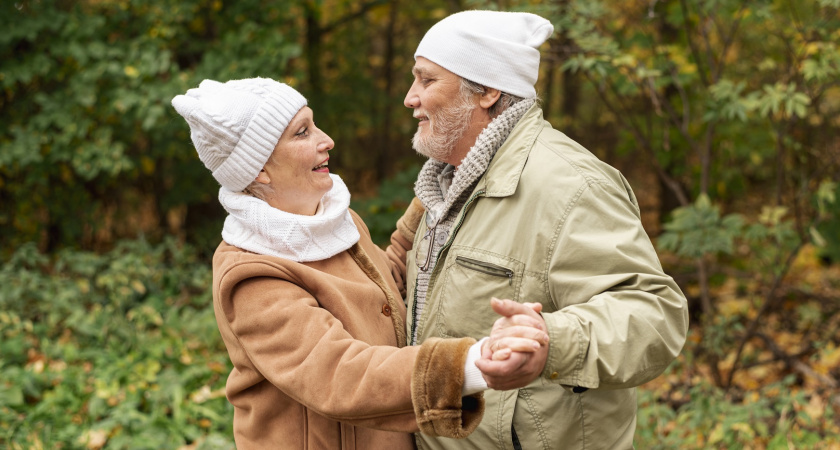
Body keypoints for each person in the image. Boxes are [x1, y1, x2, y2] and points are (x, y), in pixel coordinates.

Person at [170, 77, 547, 449]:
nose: (326, 140)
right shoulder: (252, 274)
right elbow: (339, 374)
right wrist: (470, 363)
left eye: (314, 124)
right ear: (259, 170)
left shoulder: (330, 219)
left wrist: (436, 198)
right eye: (303, 133)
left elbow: (385, 282)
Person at [401, 10, 690, 450]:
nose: (410, 97)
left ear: (488, 90)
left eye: (427, 80)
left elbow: (654, 314)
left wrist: (552, 343)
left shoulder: (572, 185)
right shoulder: (442, 185)